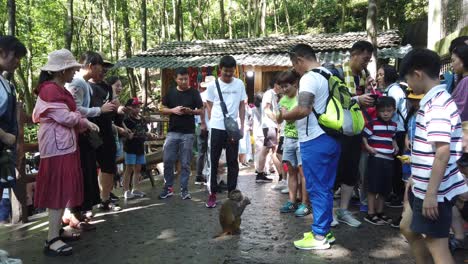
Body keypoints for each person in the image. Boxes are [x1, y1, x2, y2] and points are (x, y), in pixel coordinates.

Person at [399, 48, 468, 264]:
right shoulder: (434, 100)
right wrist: (415, 177)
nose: (409, 85)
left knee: (437, 246)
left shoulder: (437, 104)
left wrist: (431, 194)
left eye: (408, 79)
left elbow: (442, 152)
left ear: (417, 74)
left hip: (433, 191)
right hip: (423, 184)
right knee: (408, 228)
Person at [32, 49, 99, 256]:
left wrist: (80, 119)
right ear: (61, 71)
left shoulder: (60, 89)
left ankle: (57, 230)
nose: (74, 72)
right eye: (71, 69)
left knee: (63, 189)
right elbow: (65, 117)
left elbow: (71, 114)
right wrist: (84, 120)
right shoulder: (50, 90)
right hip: (56, 148)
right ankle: (51, 239)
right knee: (57, 191)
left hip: (65, 146)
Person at [280, 44, 340, 250]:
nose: (295, 70)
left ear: (299, 60)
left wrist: (284, 116)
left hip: (315, 138)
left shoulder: (309, 77)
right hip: (331, 138)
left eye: (294, 65)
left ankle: (319, 236)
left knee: (317, 187)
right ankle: (325, 231)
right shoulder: (329, 75)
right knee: (325, 186)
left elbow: (304, 109)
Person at [65, 51, 117, 229]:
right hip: (78, 134)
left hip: (85, 132)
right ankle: (73, 213)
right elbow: (75, 109)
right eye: (100, 67)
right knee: (81, 172)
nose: (102, 71)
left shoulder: (83, 83)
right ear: (91, 66)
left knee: (87, 172)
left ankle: (79, 212)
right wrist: (99, 110)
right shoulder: (78, 82)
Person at [335, 40, 375, 228]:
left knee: (351, 172)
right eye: (365, 59)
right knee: (334, 171)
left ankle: (343, 210)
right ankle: (328, 212)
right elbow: (334, 99)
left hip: (356, 129)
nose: (366, 63)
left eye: (368, 60)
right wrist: (358, 99)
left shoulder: (364, 75)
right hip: (338, 130)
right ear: (354, 54)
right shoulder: (337, 72)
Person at [205, 56, 247, 208]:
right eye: (226, 71)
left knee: (232, 162)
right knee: (214, 161)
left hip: (232, 129)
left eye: (231, 71)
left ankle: (232, 193)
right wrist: (212, 120)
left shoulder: (239, 84)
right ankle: (212, 193)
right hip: (216, 128)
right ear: (220, 69)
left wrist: (242, 126)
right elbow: (208, 104)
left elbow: (242, 105)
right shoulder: (212, 86)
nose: (228, 74)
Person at [158, 68, 204, 200]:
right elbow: (161, 108)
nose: (184, 81)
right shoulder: (171, 92)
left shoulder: (194, 93)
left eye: (186, 79)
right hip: (172, 132)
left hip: (188, 133)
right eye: (181, 79)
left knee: (185, 162)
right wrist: (173, 110)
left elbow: (201, 110)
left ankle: (184, 189)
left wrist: (191, 111)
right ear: (175, 79)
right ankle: (168, 188)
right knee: (168, 160)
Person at [276, 70, 311, 217]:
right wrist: (281, 114)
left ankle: (305, 203)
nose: (284, 90)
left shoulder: (302, 97)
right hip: (288, 138)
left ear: (295, 84)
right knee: (291, 171)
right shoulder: (283, 100)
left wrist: (285, 114)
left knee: (303, 173)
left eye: (286, 86)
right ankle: (292, 201)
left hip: (302, 137)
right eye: (282, 87)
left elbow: (288, 117)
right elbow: (280, 119)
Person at [88, 60, 120, 208]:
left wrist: (118, 109)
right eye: (101, 68)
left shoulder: (107, 87)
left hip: (106, 129)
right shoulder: (83, 85)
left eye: (106, 69)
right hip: (89, 130)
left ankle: (105, 198)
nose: (103, 71)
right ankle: (86, 204)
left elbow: (114, 106)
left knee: (109, 166)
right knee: (88, 167)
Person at [362, 96, 398, 225]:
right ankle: (371, 213)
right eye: (383, 111)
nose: (386, 113)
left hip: (389, 160)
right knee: (373, 187)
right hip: (376, 159)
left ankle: (380, 212)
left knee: (384, 188)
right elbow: (364, 136)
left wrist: (395, 146)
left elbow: (392, 138)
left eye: (389, 110)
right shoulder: (373, 123)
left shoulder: (394, 125)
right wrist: (368, 147)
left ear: (394, 110)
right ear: (377, 111)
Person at [377, 64, 407, 208]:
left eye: (381, 75)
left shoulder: (394, 90)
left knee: (396, 164)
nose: (378, 78)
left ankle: (399, 195)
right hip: (395, 130)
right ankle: (396, 193)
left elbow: (390, 110)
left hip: (398, 131)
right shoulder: (390, 89)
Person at [0, 36, 26, 196]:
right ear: (1, 52)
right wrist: (2, 135)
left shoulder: (6, 83)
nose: (17, 61)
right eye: (15, 56)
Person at [122, 98, 154, 199]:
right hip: (130, 147)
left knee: (138, 169)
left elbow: (144, 132)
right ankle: (126, 190)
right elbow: (125, 133)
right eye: (134, 107)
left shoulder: (142, 119)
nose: (137, 109)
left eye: (138, 107)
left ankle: (135, 189)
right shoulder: (126, 120)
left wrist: (149, 134)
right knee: (129, 168)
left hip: (140, 147)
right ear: (128, 108)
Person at [255, 77, 283, 183]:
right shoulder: (269, 94)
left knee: (269, 149)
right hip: (270, 124)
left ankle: (261, 173)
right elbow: (266, 109)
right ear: (276, 84)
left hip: (272, 125)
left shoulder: (274, 95)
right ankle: (277, 175)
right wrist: (276, 119)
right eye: (281, 85)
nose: (282, 88)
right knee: (272, 150)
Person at [195, 75, 214, 185]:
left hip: (204, 125)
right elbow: (202, 110)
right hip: (206, 126)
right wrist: (203, 123)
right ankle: (204, 174)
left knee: (202, 152)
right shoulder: (205, 96)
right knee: (206, 151)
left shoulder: (202, 95)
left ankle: (200, 175)